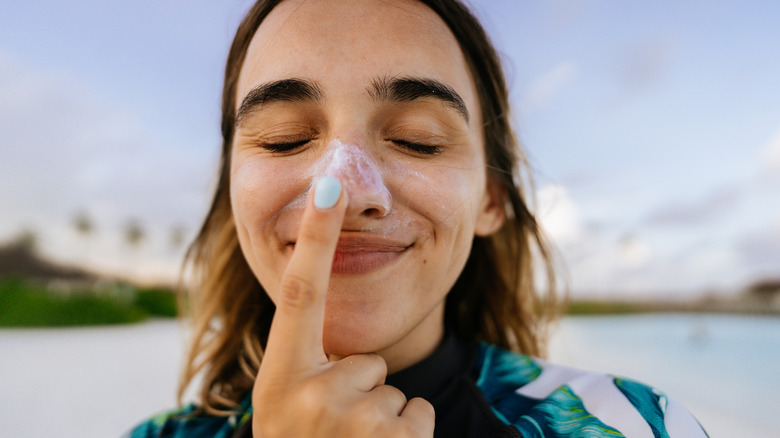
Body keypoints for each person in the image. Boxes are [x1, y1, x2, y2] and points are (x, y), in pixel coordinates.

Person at [129, 0, 708, 437]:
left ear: (491, 200)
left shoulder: (638, 424)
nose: (349, 191)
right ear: (233, 191)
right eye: (285, 140)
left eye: (417, 141)